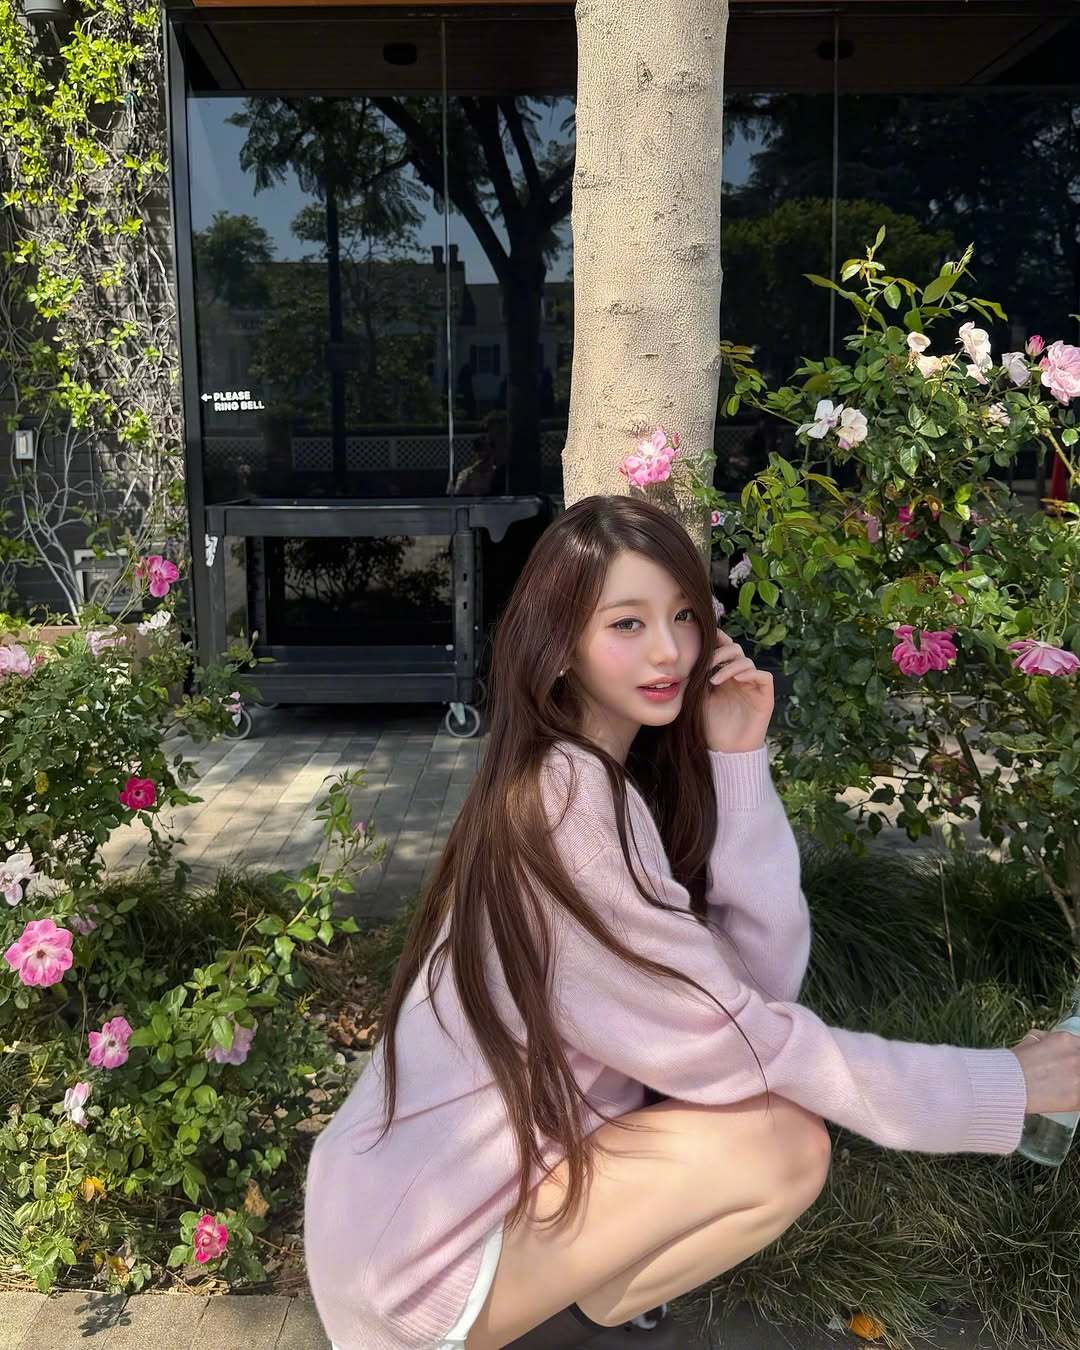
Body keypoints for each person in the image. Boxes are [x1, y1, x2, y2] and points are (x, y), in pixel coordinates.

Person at [304, 495, 1080, 1350]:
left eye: (683, 615)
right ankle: (572, 1314)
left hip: (409, 1212)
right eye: (626, 623)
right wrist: (1004, 1085)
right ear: (558, 644)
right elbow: (751, 1044)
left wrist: (738, 759)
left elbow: (745, 996)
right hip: (417, 1259)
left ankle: (593, 1307)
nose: (669, 651)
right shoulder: (567, 807)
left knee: (774, 1129)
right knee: (783, 1145)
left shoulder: (580, 778)